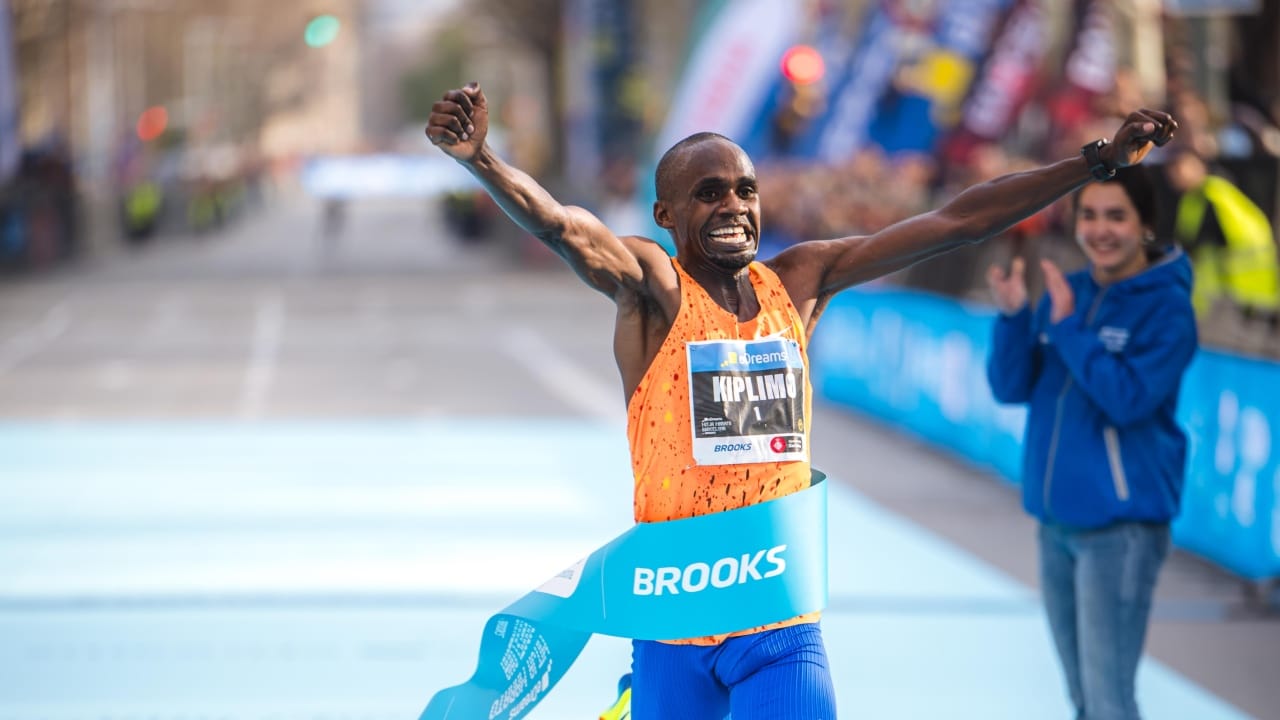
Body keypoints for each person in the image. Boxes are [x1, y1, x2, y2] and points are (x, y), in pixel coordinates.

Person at [426, 80, 1175, 720]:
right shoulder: (655, 291)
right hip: (673, 616)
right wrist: (482, 161)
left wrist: (1096, 162)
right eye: (708, 193)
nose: (734, 205)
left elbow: (957, 221)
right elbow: (565, 228)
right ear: (665, 216)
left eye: (746, 190)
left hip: (778, 616)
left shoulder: (801, 282)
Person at [985, 165, 1198, 720]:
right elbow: (1012, 387)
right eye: (1090, 215)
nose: (1100, 230)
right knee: (1083, 698)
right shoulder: (1071, 291)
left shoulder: (1167, 309)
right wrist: (1014, 317)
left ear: (1146, 223)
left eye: (1116, 216)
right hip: (1056, 523)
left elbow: (1129, 400)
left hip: (1120, 533)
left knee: (1108, 701)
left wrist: (1070, 330)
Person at [1164, 146, 1279, 321]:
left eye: (1180, 169)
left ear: (1198, 166)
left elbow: (1205, 237)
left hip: (1236, 289)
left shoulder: (1211, 194)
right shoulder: (1199, 196)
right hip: (1233, 289)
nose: (1175, 177)